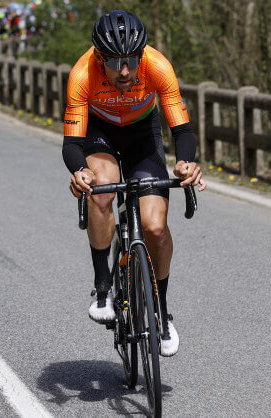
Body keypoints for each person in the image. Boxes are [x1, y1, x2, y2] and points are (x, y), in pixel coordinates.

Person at [63, 10, 206, 357]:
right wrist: (80, 170)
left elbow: (183, 131)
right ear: (100, 57)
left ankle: (161, 310)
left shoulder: (157, 65)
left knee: (155, 229)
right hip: (101, 134)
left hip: (143, 135)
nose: (125, 71)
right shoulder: (82, 74)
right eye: (115, 62)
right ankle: (102, 286)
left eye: (131, 60)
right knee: (102, 188)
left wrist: (186, 163)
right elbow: (71, 144)